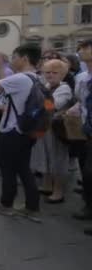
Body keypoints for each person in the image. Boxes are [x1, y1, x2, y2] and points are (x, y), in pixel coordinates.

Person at [0, 43, 42, 223]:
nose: (12, 61)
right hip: (26, 130)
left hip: (12, 130)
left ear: (24, 58)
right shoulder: (35, 78)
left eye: (14, 57)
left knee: (7, 168)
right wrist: (0, 68)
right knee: (23, 168)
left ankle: (5, 204)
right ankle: (32, 207)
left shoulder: (21, 78)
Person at [31, 59, 73, 204]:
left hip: (57, 129)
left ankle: (58, 191)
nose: (50, 75)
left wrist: (39, 102)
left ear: (62, 74)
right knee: (45, 156)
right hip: (44, 127)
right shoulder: (46, 86)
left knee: (58, 159)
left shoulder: (64, 88)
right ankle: (47, 185)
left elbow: (52, 106)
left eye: (54, 72)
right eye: (47, 72)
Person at [68, 39, 92, 236]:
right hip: (86, 129)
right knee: (86, 169)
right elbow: (81, 101)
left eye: (85, 48)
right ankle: (88, 206)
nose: (81, 51)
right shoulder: (83, 77)